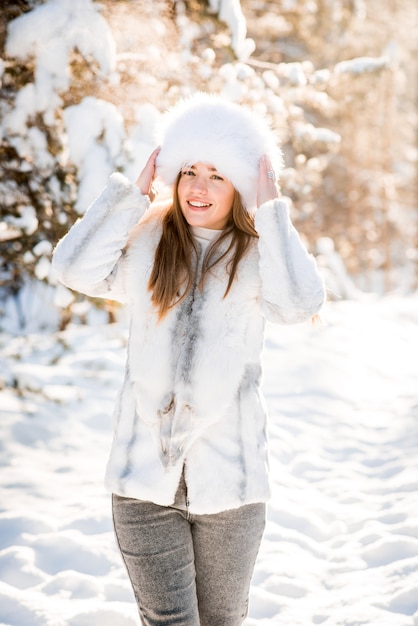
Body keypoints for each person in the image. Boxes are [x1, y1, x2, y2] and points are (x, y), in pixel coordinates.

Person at [52, 92, 326, 626]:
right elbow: (75, 269)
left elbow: (300, 303)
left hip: (231, 489)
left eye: (218, 176)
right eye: (189, 171)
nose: (199, 188)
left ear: (240, 186)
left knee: (222, 621)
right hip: (142, 483)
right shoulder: (147, 241)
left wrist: (271, 212)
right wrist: (131, 196)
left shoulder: (257, 255)